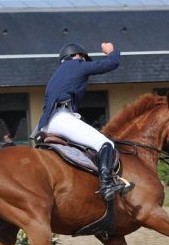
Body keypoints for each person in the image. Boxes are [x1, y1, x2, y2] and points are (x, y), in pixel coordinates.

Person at [33, 42, 125, 201]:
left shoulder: (57, 74)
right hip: (61, 118)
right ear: (77, 55)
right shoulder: (77, 65)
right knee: (106, 144)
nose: (83, 60)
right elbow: (112, 63)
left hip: (48, 122)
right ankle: (106, 184)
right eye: (82, 57)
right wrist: (112, 51)